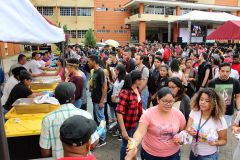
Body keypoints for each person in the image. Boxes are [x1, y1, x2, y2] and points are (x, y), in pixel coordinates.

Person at [40, 82, 99, 159]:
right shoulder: (85, 115)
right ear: (74, 96)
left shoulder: (47, 119)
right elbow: (93, 145)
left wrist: (57, 150)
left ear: (56, 98)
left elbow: (45, 152)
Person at [126, 87, 186, 160]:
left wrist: (181, 137)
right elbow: (140, 132)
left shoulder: (178, 114)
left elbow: (183, 130)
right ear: (158, 99)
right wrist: (134, 143)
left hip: (173, 154)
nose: (168, 104)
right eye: (164, 101)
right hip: (151, 154)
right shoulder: (148, 114)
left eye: (171, 101)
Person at [186, 88, 227, 160]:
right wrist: (190, 131)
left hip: (208, 156)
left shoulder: (219, 119)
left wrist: (215, 143)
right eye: (201, 99)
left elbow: (223, 140)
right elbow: (188, 128)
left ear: (215, 104)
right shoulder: (194, 111)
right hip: (193, 152)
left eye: (207, 101)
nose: (202, 102)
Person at [116, 70, 143, 160]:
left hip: (135, 122)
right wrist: (123, 131)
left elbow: (138, 105)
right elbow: (119, 112)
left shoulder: (138, 89)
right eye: (141, 79)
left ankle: (131, 157)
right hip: (126, 124)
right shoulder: (125, 92)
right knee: (125, 144)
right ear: (136, 80)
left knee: (133, 142)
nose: (142, 80)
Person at [208, 62, 240, 127]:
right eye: (222, 71)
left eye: (227, 71)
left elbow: (238, 96)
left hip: (228, 112)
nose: (225, 73)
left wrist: (238, 109)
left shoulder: (235, 82)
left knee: (224, 130)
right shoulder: (212, 82)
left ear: (230, 72)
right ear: (219, 71)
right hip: (215, 111)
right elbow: (209, 98)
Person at [88, 55, 107, 147]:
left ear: (94, 62)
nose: (88, 63)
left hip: (99, 100)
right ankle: (98, 137)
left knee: (101, 120)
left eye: (89, 61)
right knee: (96, 119)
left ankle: (103, 140)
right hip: (95, 99)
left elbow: (105, 87)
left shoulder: (100, 72)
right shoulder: (94, 71)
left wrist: (102, 101)